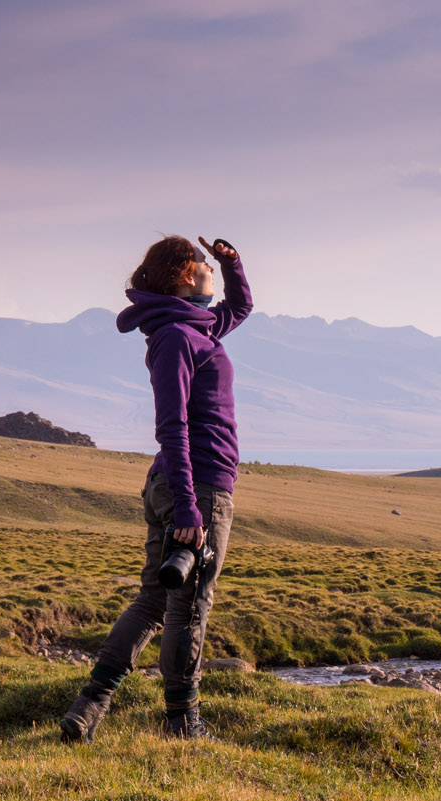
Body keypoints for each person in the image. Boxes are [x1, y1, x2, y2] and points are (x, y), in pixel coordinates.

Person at [59, 234, 252, 741]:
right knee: (188, 606)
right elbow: (172, 425)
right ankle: (181, 721)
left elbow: (241, 307)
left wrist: (233, 263)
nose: (211, 268)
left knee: (153, 601)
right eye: (206, 263)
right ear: (187, 275)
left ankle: (88, 710)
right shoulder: (177, 338)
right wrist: (190, 508)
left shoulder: (195, 327)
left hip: (181, 483)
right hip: (196, 485)